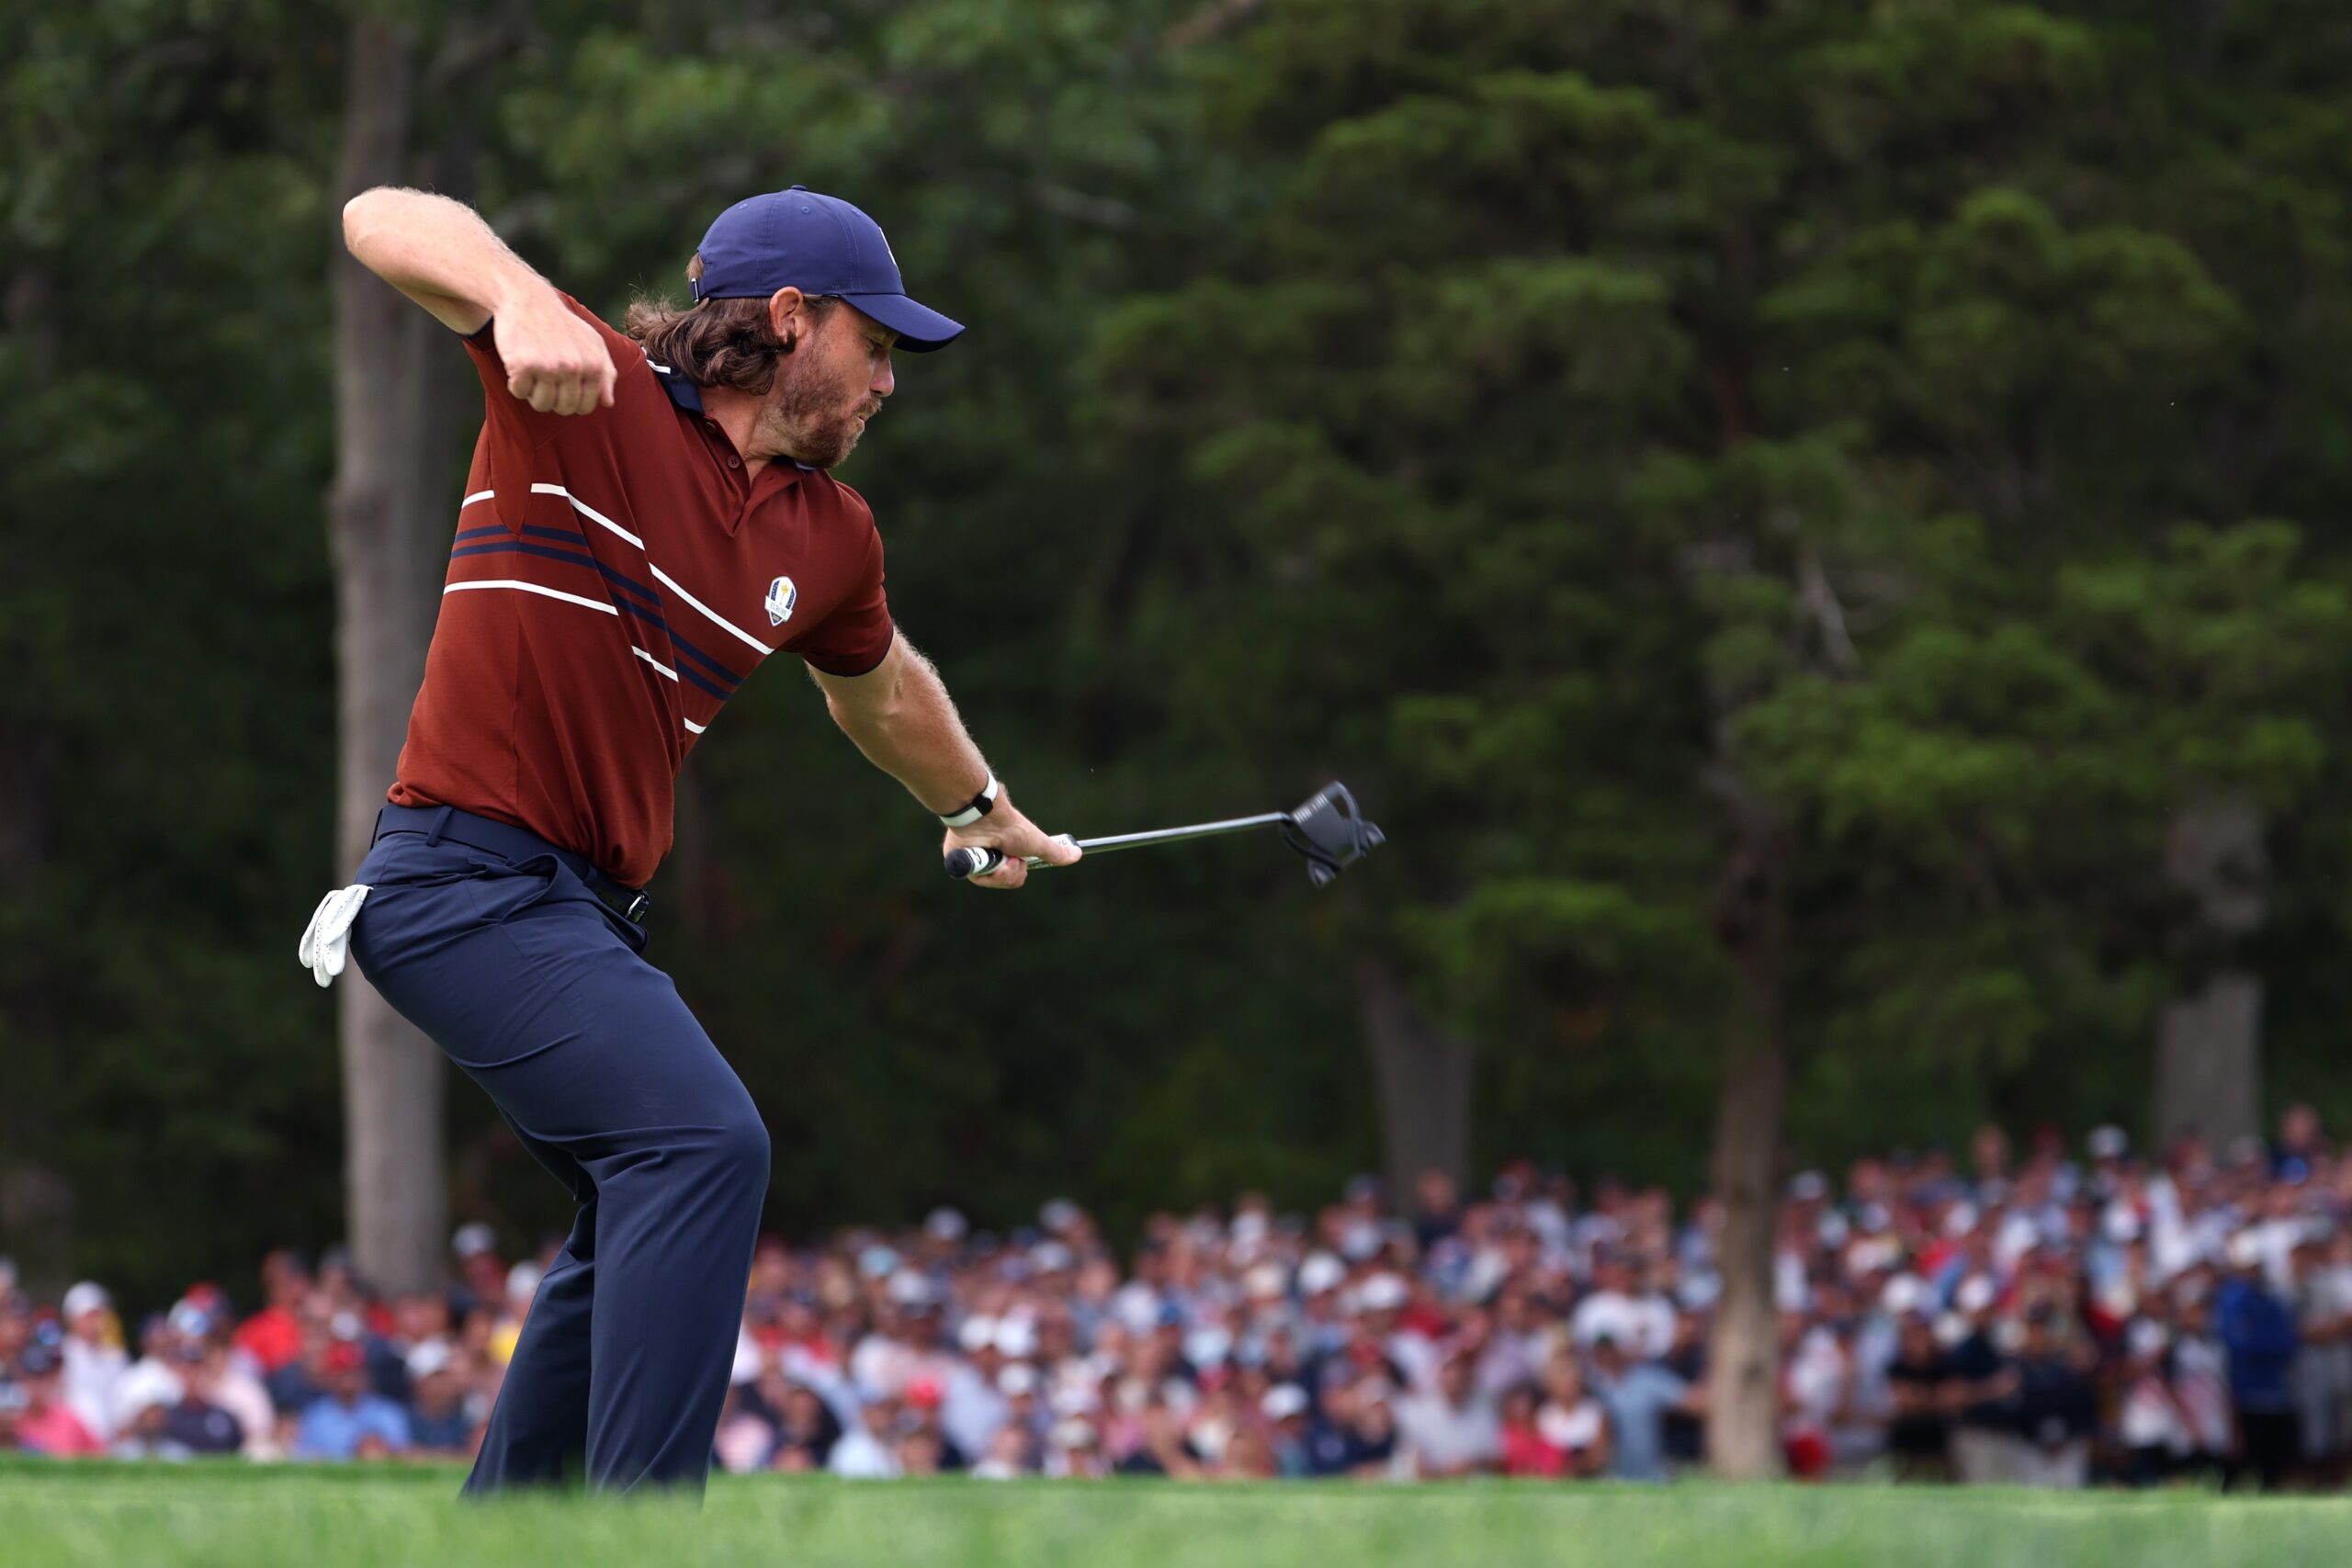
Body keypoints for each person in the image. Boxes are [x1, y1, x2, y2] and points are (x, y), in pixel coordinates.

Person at [319, 183, 1079, 1496]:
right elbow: (378, 216)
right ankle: (646, 1528)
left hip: (575, 914)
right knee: (701, 1143)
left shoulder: (831, 535)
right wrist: (508, 297)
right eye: (878, 344)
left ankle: (515, 1530)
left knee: (640, 1200)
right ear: (791, 319)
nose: (891, 383)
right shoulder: (589, 387)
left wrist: (975, 806)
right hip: (456, 881)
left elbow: (881, 688)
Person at [293, 1341, 410, 1461]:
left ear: (365, 1375)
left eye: (354, 1372)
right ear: (331, 1376)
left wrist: (382, 1449)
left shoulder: (388, 1412)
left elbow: (403, 1454)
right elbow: (303, 1458)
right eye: (342, 1373)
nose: (348, 1380)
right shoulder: (315, 1416)